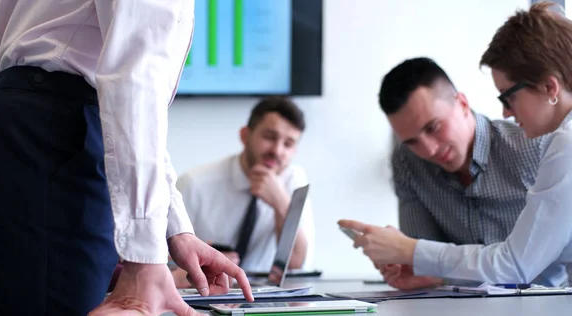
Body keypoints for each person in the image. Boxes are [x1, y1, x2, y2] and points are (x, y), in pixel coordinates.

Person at [0, 1, 252, 315]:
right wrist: (144, 260)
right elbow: (133, 83)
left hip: (21, 129)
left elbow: (135, 107)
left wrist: (174, 229)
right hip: (58, 140)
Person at [339, 1, 572, 287]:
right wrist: (425, 271)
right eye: (411, 141)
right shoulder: (409, 164)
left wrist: (409, 250)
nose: (429, 150)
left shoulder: (559, 144)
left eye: (508, 97)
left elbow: (515, 264)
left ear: (550, 87)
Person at [171, 97, 315, 286]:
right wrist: (204, 264)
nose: (277, 151)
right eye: (269, 137)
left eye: (288, 144)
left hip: (265, 298)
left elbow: (296, 264)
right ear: (245, 135)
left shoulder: (294, 180)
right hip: (204, 293)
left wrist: (281, 202)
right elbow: (160, 262)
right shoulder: (194, 184)